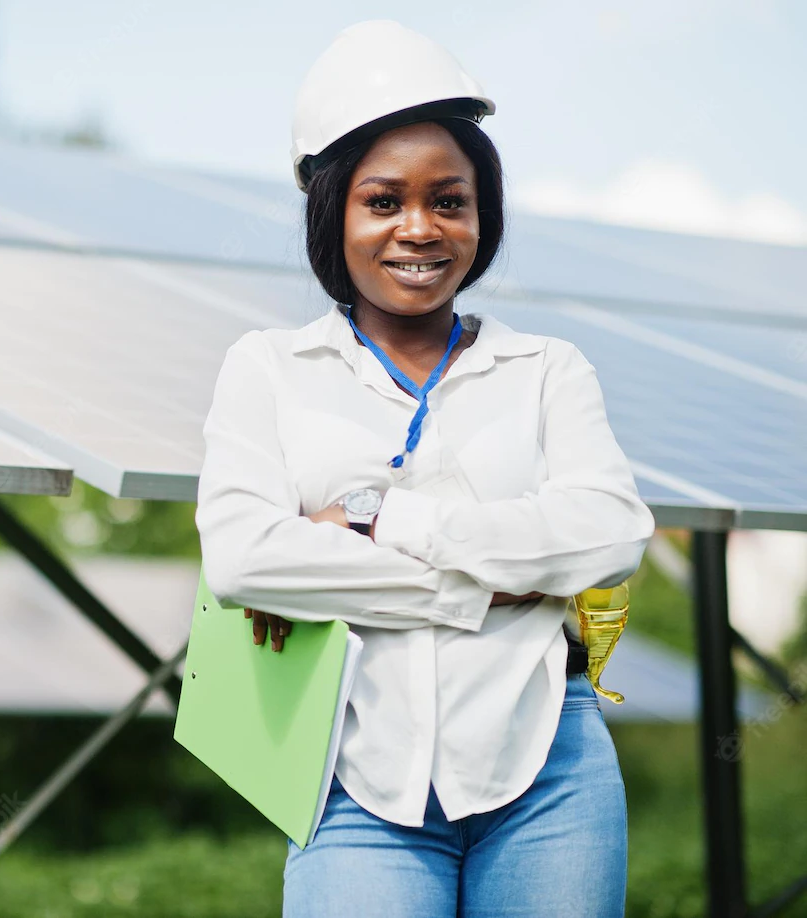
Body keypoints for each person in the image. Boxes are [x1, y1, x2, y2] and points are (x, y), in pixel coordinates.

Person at [193, 20, 656, 918]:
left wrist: (378, 526)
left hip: (553, 771)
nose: (420, 228)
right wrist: (486, 590)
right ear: (334, 211)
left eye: (450, 200)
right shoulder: (268, 369)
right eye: (383, 200)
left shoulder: (548, 369)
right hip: (356, 776)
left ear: (482, 215)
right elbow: (246, 560)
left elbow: (610, 533)